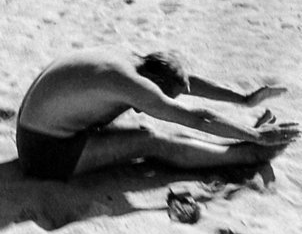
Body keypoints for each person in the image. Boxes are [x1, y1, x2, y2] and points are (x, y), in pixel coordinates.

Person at [16, 46, 298, 181]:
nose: (162, 101)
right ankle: (248, 155)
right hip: (44, 154)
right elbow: (199, 119)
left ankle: (240, 148)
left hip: (36, 131)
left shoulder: (134, 63)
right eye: (164, 95)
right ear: (155, 85)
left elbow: (183, 83)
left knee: (153, 133)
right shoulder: (132, 84)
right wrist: (256, 136)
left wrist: (244, 99)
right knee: (150, 140)